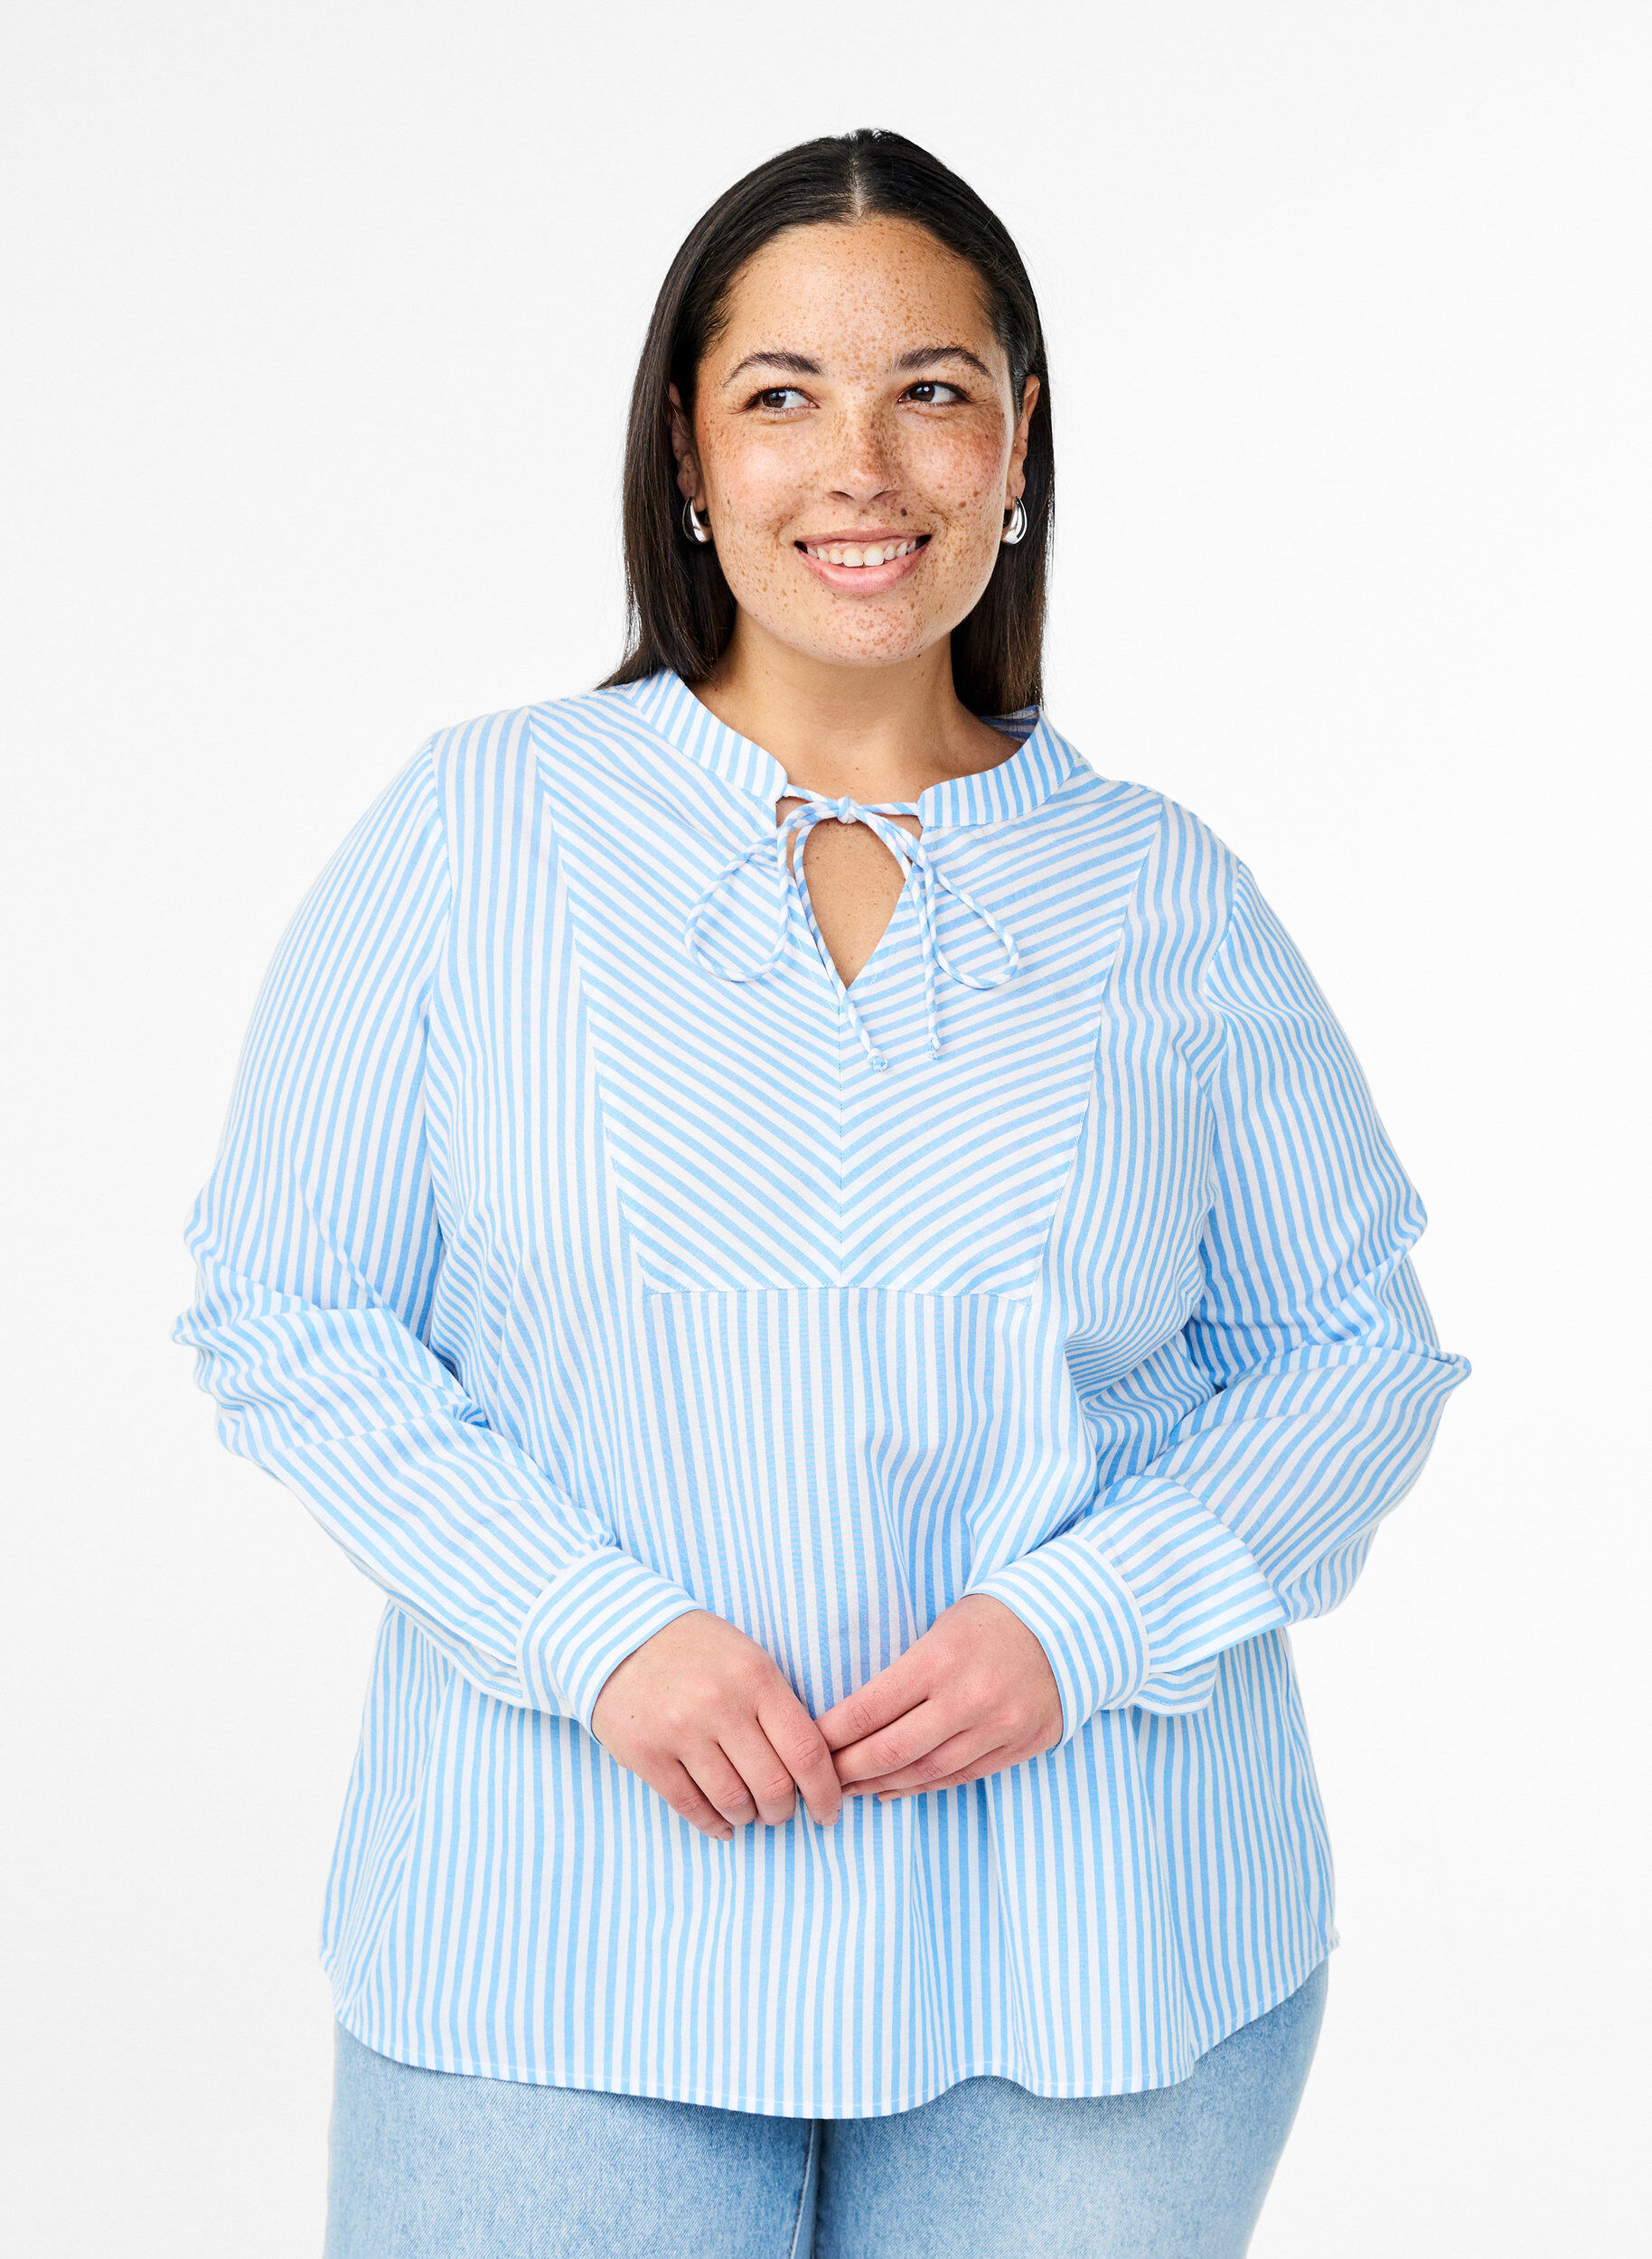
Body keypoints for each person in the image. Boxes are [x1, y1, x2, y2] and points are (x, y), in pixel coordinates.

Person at [172, 127, 1469, 2257]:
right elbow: (290, 1314)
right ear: (684, 450)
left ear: (1017, 438)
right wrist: (601, 1632)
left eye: (929, 389)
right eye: (779, 392)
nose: (858, 463)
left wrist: (1090, 1615)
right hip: (561, 1925)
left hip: (1097, 1940)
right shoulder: (480, 828)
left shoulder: (1158, 888)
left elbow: (1347, 1351)